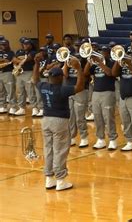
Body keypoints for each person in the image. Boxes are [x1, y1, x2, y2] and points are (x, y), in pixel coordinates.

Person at [32, 54, 85, 191]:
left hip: (46, 120)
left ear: (49, 77)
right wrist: (79, 69)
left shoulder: (43, 85)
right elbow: (79, 87)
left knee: (48, 149)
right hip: (59, 121)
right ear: (61, 78)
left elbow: (35, 79)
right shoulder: (62, 89)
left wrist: (37, 64)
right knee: (60, 150)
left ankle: (49, 179)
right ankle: (61, 180)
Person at [84, 45, 118, 150]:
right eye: (101, 52)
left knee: (108, 116)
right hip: (96, 92)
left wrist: (99, 62)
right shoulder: (94, 64)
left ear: (108, 54)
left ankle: (112, 139)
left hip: (108, 92)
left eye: (105, 52)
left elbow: (110, 73)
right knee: (97, 116)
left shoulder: (112, 62)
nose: (102, 53)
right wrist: (89, 62)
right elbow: (85, 73)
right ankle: (100, 139)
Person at [63, 43, 89, 148]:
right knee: (70, 116)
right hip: (69, 90)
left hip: (80, 91)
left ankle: (84, 137)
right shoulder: (69, 61)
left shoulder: (84, 62)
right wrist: (65, 61)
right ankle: (72, 137)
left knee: (80, 117)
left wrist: (78, 67)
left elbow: (85, 77)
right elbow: (65, 75)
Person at [12, 39, 37, 116]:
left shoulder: (33, 52)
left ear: (31, 45)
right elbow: (14, 59)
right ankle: (21, 108)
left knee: (30, 91)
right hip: (20, 73)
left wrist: (19, 60)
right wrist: (20, 60)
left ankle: (34, 108)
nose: (25, 45)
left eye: (27, 44)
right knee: (20, 91)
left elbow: (28, 59)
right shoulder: (20, 51)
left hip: (29, 72)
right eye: (24, 44)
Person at [0, 39, 16, 114]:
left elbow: (8, 61)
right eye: (2, 45)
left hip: (8, 72)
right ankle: (2, 106)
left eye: (5, 45)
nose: (3, 46)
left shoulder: (11, 52)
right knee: (1, 91)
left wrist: (2, 60)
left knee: (10, 91)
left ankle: (13, 106)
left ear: (8, 45)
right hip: (0, 72)